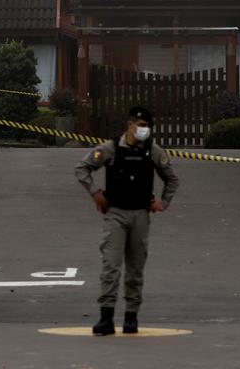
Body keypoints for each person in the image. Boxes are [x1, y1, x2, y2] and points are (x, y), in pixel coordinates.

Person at [75, 106, 180, 335]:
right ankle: (106, 317)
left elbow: (172, 178)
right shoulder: (111, 148)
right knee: (111, 265)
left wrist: (162, 202)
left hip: (140, 214)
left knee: (136, 267)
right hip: (115, 213)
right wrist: (95, 192)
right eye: (141, 126)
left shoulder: (152, 150)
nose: (144, 131)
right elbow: (82, 168)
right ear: (130, 125)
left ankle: (131, 317)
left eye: (148, 127)